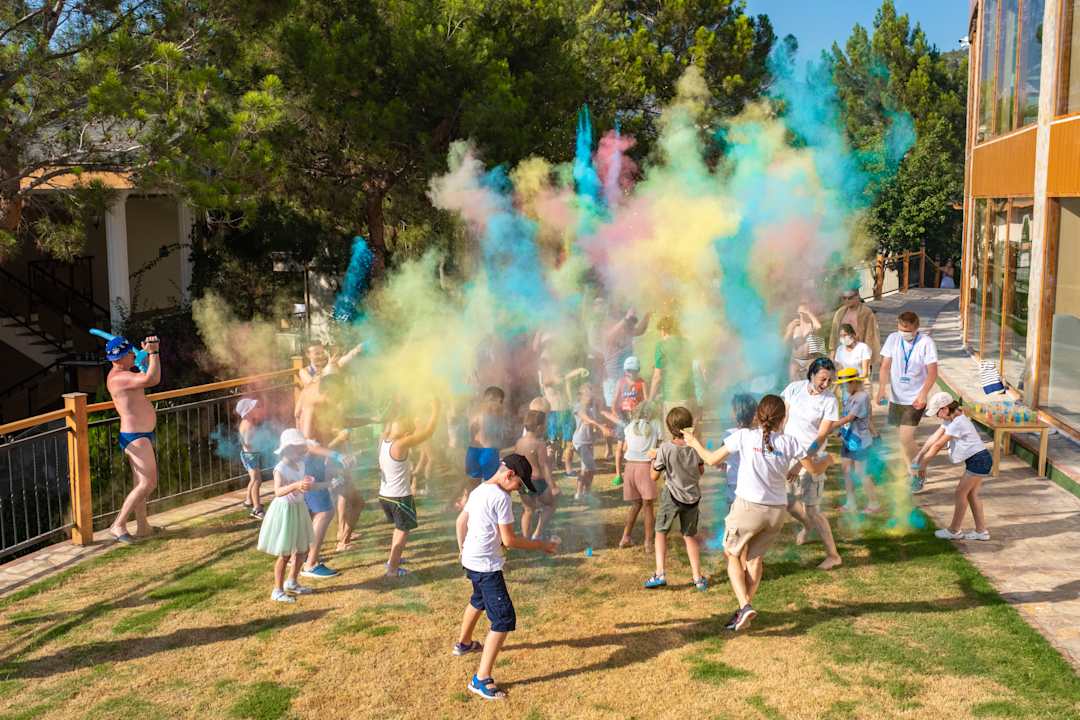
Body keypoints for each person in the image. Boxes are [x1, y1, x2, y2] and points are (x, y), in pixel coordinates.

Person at [684, 395, 833, 631]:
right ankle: (744, 609)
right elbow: (814, 469)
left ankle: (744, 606)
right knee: (754, 559)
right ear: (783, 419)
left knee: (732, 553)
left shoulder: (744, 436)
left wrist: (693, 442)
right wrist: (829, 460)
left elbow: (711, 460)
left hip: (748, 508)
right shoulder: (790, 442)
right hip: (776, 513)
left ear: (757, 416)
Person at [453, 454, 559, 700]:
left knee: (478, 599)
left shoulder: (479, 490)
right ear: (509, 474)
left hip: (471, 560)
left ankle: (464, 643)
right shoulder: (501, 498)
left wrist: (462, 550)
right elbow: (509, 540)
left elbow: (460, 522)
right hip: (486, 566)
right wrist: (541, 545)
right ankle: (481, 679)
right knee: (503, 619)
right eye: (519, 484)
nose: (518, 490)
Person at [781, 358, 843, 570]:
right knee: (788, 502)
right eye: (822, 379)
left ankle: (833, 556)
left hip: (812, 458)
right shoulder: (794, 389)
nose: (826, 384)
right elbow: (783, 418)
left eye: (830, 380)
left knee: (813, 509)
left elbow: (821, 436)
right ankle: (807, 526)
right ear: (811, 374)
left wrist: (801, 463)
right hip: (788, 455)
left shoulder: (830, 401)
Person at [295, 373, 356, 578]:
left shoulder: (322, 407)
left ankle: (302, 558)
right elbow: (307, 445)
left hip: (315, 464)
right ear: (328, 391)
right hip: (309, 465)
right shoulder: (312, 407)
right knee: (325, 512)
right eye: (338, 395)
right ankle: (311, 564)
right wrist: (336, 455)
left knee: (315, 512)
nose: (339, 400)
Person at [106, 334, 162, 544]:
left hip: (139, 434)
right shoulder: (119, 378)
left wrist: (145, 356)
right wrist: (154, 352)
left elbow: (146, 373)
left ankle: (143, 526)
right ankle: (118, 524)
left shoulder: (123, 373)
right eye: (130, 353)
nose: (132, 355)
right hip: (135, 436)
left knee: (141, 483)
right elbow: (152, 379)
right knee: (148, 483)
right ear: (120, 357)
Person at [644, 406, 707, 591]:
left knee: (661, 531)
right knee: (689, 536)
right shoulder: (695, 446)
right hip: (692, 498)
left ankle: (660, 573)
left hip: (671, 497)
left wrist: (653, 459)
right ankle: (698, 578)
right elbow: (701, 471)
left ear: (669, 427)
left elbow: (654, 476)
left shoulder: (665, 448)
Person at [913, 393, 993, 540]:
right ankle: (981, 531)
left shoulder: (958, 423)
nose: (937, 416)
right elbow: (934, 438)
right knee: (971, 494)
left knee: (960, 493)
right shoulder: (951, 419)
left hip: (979, 460)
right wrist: (920, 455)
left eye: (937, 413)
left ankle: (954, 530)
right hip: (980, 459)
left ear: (944, 409)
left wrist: (923, 466)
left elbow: (938, 445)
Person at [379, 398, 439, 577]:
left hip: (385, 496)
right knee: (402, 532)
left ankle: (393, 560)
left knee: (398, 529)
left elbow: (390, 424)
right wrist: (436, 409)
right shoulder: (400, 444)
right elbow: (428, 432)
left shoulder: (384, 439)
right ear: (406, 433)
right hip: (399, 498)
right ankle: (392, 569)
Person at [257, 429, 318, 602]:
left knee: (302, 549)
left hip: (298, 508)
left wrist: (305, 485)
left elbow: (300, 486)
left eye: (301, 448)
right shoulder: (280, 468)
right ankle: (277, 590)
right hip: (285, 511)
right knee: (285, 553)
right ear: (287, 449)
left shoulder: (301, 464)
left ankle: (292, 582)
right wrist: (296, 485)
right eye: (297, 448)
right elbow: (277, 491)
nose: (301, 451)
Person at [875, 311, 939, 472]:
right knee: (902, 440)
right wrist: (881, 389)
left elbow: (932, 372)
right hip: (896, 398)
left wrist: (923, 394)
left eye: (908, 331)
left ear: (916, 328)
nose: (904, 333)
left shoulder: (926, 342)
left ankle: (919, 472)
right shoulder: (893, 339)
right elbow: (885, 366)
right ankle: (910, 472)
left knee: (905, 438)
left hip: (915, 398)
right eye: (901, 329)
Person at [834, 369, 880, 514]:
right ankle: (850, 503)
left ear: (854, 382)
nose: (843, 388)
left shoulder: (862, 397)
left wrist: (830, 425)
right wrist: (841, 430)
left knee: (861, 473)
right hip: (848, 440)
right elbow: (846, 416)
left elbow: (850, 417)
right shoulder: (848, 395)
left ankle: (874, 504)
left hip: (860, 442)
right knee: (846, 471)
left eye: (845, 384)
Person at [618, 401, 662, 550]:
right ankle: (648, 542)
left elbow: (625, 448)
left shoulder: (630, 426)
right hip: (645, 467)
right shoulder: (656, 424)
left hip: (630, 467)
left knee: (636, 504)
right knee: (648, 506)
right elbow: (660, 446)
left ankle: (625, 537)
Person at [462, 386, 511, 508]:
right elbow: (499, 435)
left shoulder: (474, 412)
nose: (501, 404)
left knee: (473, 484)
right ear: (494, 398)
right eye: (500, 401)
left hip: (473, 451)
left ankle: (468, 507)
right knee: (492, 485)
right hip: (488, 452)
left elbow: (470, 433)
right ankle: (488, 509)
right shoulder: (496, 412)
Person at [649, 316, 698, 436]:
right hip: (690, 396)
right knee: (691, 436)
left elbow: (657, 377)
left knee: (674, 436)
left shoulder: (661, 346)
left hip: (673, 398)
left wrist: (650, 399)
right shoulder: (687, 343)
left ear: (664, 329)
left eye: (660, 330)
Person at [514, 410, 558, 540]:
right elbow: (544, 466)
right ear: (539, 427)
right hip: (538, 482)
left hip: (523, 481)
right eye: (545, 425)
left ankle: (526, 539)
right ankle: (537, 533)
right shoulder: (539, 444)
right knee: (551, 505)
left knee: (528, 510)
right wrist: (553, 486)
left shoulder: (519, 442)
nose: (545, 428)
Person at [609, 355, 648, 487]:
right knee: (620, 447)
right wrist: (616, 414)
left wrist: (643, 415)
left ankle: (633, 473)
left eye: (634, 371)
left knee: (633, 446)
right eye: (629, 371)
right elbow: (614, 401)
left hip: (636, 419)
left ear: (638, 370)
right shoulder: (621, 382)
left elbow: (646, 401)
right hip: (623, 418)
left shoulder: (642, 383)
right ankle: (618, 474)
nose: (631, 373)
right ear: (625, 371)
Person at [572, 383, 611, 500]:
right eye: (587, 394)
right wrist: (600, 427)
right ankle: (580, 493)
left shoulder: (592, 406)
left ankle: (585, 493)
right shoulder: (578, 406)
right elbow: (586, 418)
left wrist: (603, 425)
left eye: (591, 393)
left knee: (588, 470)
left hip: (589, 441)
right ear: (581, 395)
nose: (589, 396)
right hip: (580, 441)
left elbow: (597, 418)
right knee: (589, 468)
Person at [828, 287, 881, 367]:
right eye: (844, 298)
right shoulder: (839, 313)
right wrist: (832, 355)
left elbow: (871, 337)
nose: (847, 301)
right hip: (843, 355)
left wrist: (867, 359)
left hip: (859, 355)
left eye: (850, 298)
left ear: (857, 296)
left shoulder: (866, 313)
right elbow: (834, 335)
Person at [237, 397, 268, 520]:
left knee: (254, 480)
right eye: (254, 408)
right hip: (250, 456)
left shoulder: (247, 422)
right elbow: (247, 443)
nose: (256, 409)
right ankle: (256, 509)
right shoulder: (248, 425)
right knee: (256, 481)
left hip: (250, 455)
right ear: (248, 412)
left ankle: (248, 500)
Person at [296, 339, 364, 388]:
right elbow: (312, 384)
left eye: (322, 352)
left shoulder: (328, 366)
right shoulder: (304, 371)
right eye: (317, 354)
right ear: (308, 355)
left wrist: (357, 350)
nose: (321, 356)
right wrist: (328, 368)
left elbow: (343, 360)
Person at [784, 301, 822, 382]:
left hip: (809, 359)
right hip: (795, 360)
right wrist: (790, 330)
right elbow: (785, 341)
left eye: (805, 308)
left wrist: (809, 313)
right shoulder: (794, 325)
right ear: (797, 311)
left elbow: (819, 327)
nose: (803, 311)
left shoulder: (811, 325)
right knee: (794, 384)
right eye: (801, 309)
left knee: (810, 382)